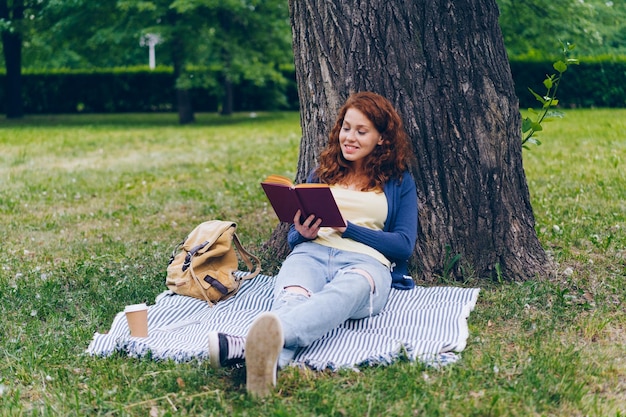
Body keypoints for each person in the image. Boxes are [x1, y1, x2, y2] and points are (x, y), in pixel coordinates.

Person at [208, 91, 418, 397]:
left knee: (346, 292)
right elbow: (295, 237)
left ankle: (244, 345)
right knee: (292, 298)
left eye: (362, 131)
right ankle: (267, 365)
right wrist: (300, 234)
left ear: (382, 139)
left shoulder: (399, 181)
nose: (350, 137)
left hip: (365, 264)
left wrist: (348, 230)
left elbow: (403, 245)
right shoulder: (322, 173)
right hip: (311, 253)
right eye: (346, 128)